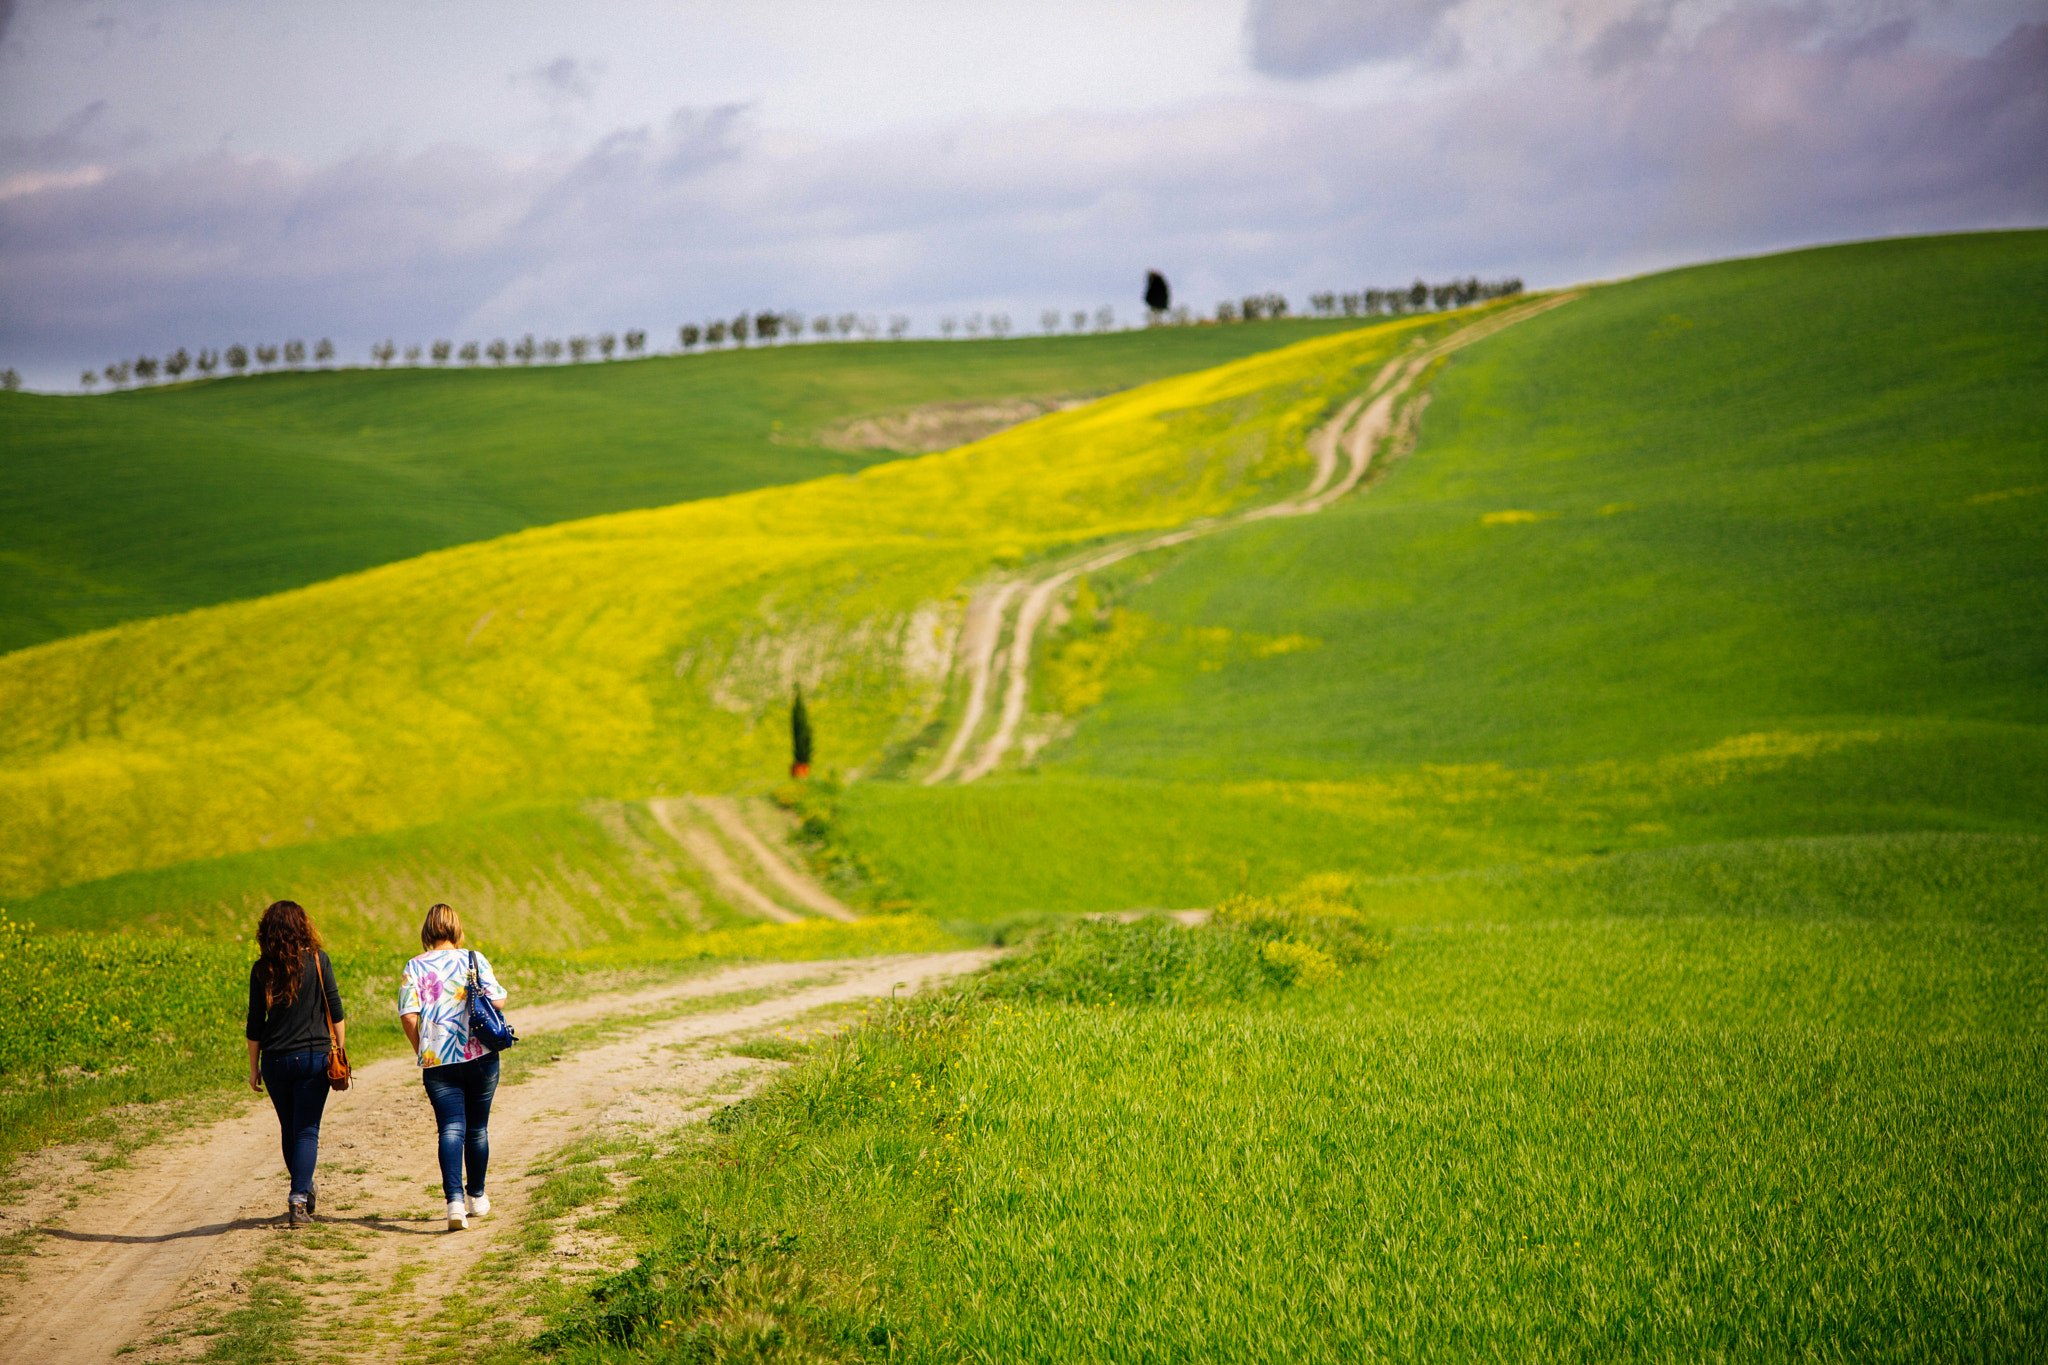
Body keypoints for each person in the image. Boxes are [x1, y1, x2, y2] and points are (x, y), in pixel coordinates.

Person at [397, 903, 508, 1231]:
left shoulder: (414, 967)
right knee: (477, 1129)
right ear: (456, 929)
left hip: (438, 1061)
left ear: (427, 932)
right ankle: (477, 1195)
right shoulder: (473, 959)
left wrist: (422, 1050)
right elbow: (498, 1001)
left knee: (450, 1129)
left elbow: (407, 1015)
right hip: (480, 1055)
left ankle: (454, 1204)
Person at [245, 899, 345, 1228]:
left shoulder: (262, 970)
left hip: (275, 1061)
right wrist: (340, 1050)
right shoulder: (318, 960)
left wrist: (253, 1066)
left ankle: (303, 1188)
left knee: (290, 1129)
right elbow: (336, 1009)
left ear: (268, 932)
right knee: (306, 1130)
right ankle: (299, 1200)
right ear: (303, 926)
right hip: (314, 1059)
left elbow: (255, 1024)